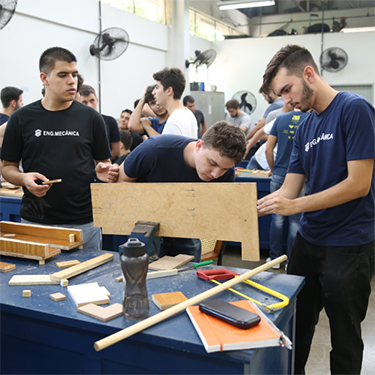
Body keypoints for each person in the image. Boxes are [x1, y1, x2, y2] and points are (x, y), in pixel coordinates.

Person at [257, 44, 375, 375]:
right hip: (310, 241)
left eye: (287, 90)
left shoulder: (354, 110)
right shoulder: (305, 125)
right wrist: (250, 208)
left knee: (344, 336)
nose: (286, 101)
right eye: (280, 95)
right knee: (295, 327)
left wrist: (294, 205)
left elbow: (358, 184)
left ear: (309, 74)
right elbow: (289, 187)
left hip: (350, 243)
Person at [0, 47, 117, 251]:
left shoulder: (91, 118)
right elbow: (7, 167)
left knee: (86, 281)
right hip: (35, 222)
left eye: (74, 74)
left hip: (83, 223)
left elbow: (103, 163)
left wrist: (103, 170)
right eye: (63, 75)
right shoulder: (21, 118)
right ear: (44, 78)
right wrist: (23, 179)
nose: (72, 81)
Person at [116, 121, 246, 262]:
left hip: (186, 227)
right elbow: (122, 180)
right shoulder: (154, 149)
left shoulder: (225, 172)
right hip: (145, 227)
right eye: (212, 163)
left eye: (224, 169)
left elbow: (219, 208)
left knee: (188, 274)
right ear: (199, 146)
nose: (216, 174)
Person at [265, 109, 310, 269]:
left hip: (279, 173)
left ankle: (275, 259)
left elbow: (268, 149)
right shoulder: (311, 118)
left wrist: (274, 169)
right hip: (301, 177)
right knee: (296, 221)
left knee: (276, 218)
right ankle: (292, 260)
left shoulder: (280, 119)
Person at [152, 67, 197, 138]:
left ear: (169, 91)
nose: (153, 92)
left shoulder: (174, 121)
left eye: (157, 88)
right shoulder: (189, 114)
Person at [79, 84, 120, 161]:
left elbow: (116, 150)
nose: (89, 105)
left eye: (92, 101)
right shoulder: (75, 124)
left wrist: (101, 162)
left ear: (97, 100)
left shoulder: (110, 122)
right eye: (84, 102)